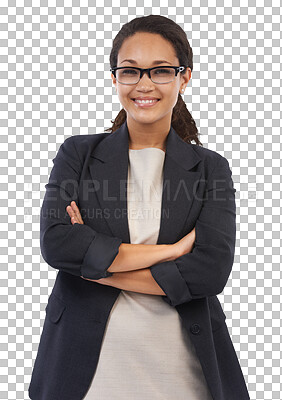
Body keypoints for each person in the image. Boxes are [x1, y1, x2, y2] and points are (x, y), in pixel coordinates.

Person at [28, 14, 250, 400]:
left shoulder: (210, 167)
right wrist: (172, 252)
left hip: (182, 372)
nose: (144, 84)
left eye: (161, 71)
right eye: (130, 71)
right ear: (115, 78)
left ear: (184, 77)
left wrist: (96, 270)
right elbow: (58, 244)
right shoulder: (78, 154)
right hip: (83, 373)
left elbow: (209, 272)